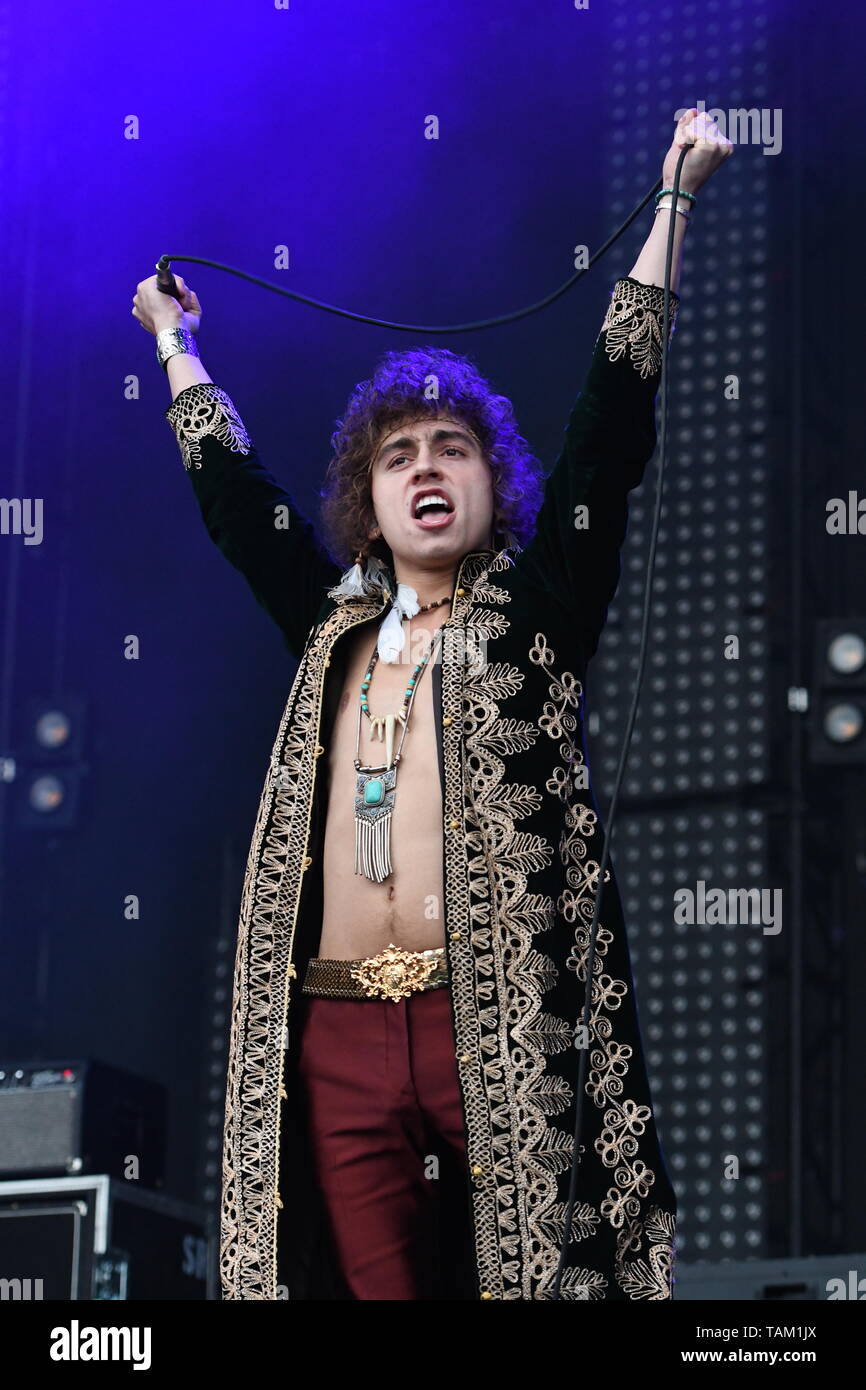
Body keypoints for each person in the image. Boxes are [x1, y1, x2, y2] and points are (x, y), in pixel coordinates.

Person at [132, 108, 732, 1300]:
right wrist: (172, 344)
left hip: (491, 1022)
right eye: (397, 453)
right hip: (337, 1031)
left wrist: (673, 201)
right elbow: (233, 499)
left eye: (449, 447)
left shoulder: (534, 609)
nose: (422, 467)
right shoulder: (330, 623)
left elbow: (608, 429)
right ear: (368, 495)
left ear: (488, 480)